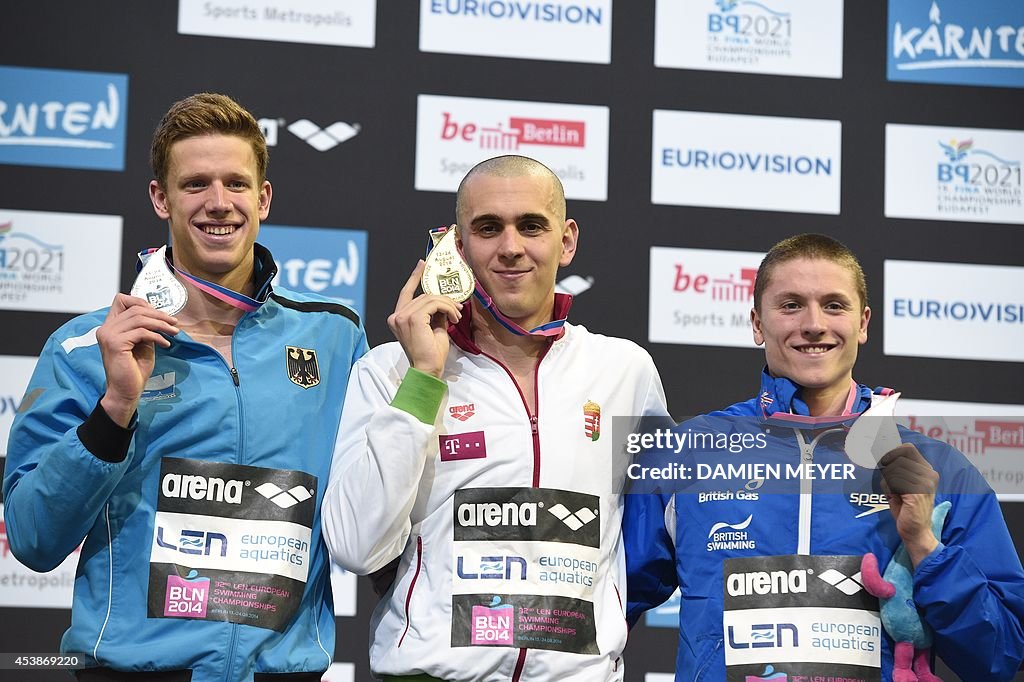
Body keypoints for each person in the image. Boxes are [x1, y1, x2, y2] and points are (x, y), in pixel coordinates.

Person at [3, 92, 367, 681]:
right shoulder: (85, 348)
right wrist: (116, 406)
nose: (218, 203)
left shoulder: (335, 337)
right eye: (195, 184)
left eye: (236, 184)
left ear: (264, 198)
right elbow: (32, 538)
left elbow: (373, 505)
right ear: (160, 198)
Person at [321, 155, 669, 681]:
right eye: (488, 228)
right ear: (458, 248)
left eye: (531, 226)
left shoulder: (626, 370)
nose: (511, 248)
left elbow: (651, 544)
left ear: (566, 240)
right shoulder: (390, 369)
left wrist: (602, 622)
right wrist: (423, 379)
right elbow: (356, 546)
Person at [623, 233, 1024, 681]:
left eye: (834, 305)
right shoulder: (689, 454)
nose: (814, 324)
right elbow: (608, 606)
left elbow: (999, 655)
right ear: (757, 323)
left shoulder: (936, 468)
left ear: (864, 322)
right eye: (791, 305)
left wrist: (925, 548)